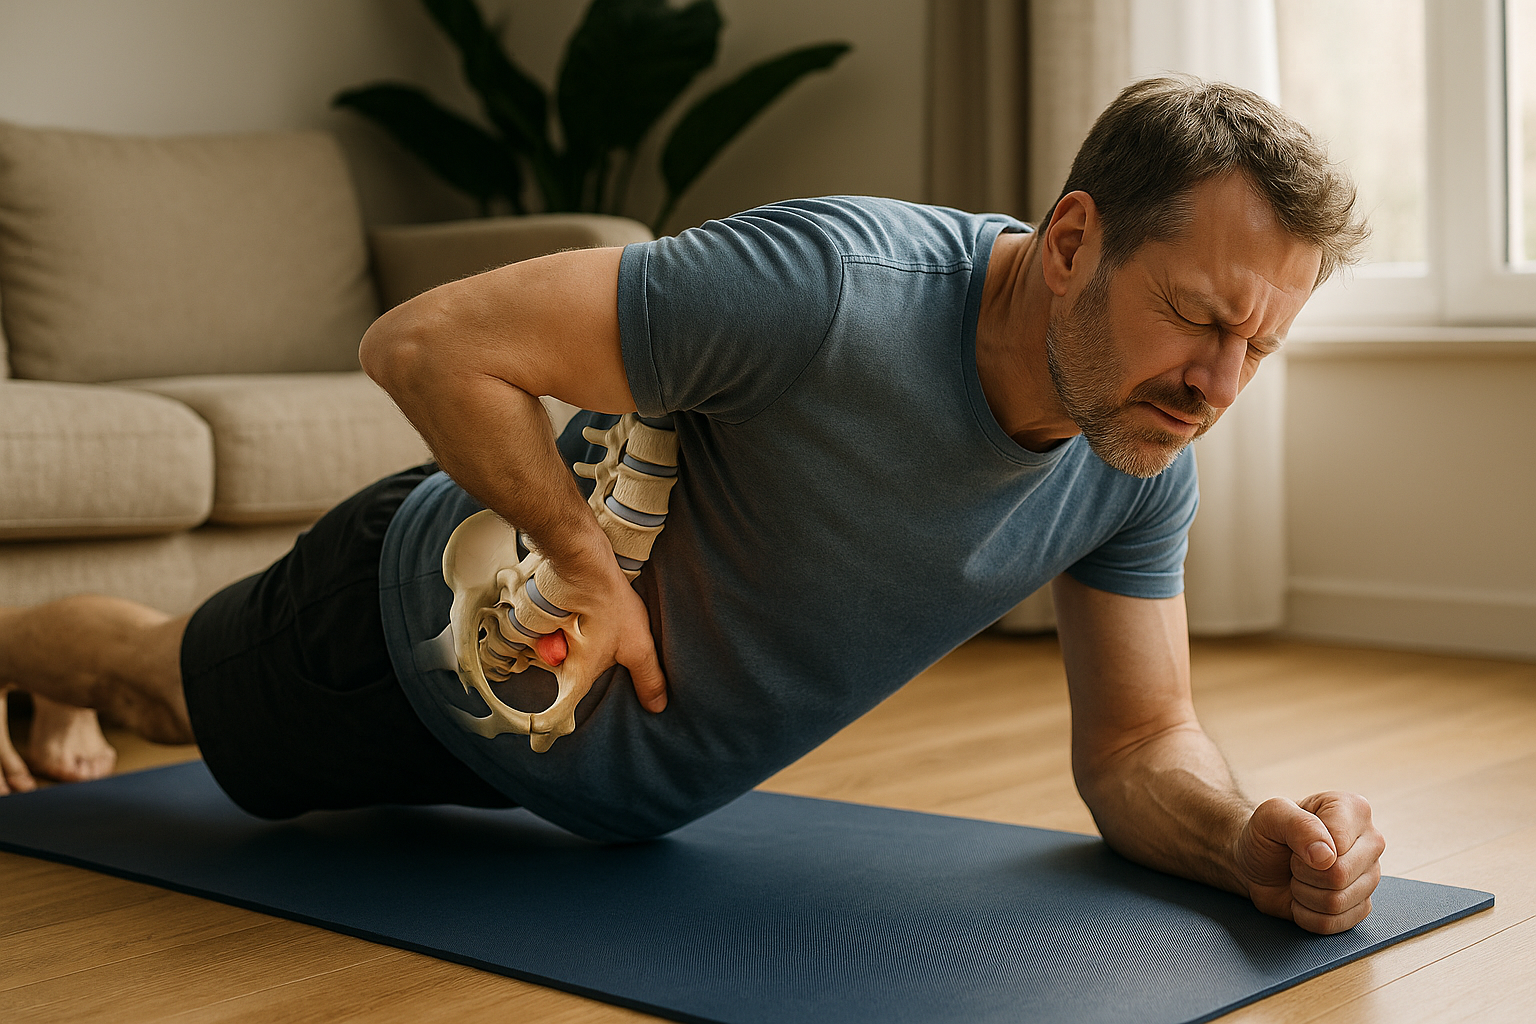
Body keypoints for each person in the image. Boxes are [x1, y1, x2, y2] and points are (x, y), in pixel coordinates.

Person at [0, 77, 1384, 935]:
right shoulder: (833, 288)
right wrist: (579, 560)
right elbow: (426, 343)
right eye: (1197, 318)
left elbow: (1142, 743)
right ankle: (17, 655)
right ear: (1075, 241)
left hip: (588, 797)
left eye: (1259, 348)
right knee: (156, 688)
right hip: (406, 644)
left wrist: (1242, 841)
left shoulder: (1137, 454)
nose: (1217, 384)